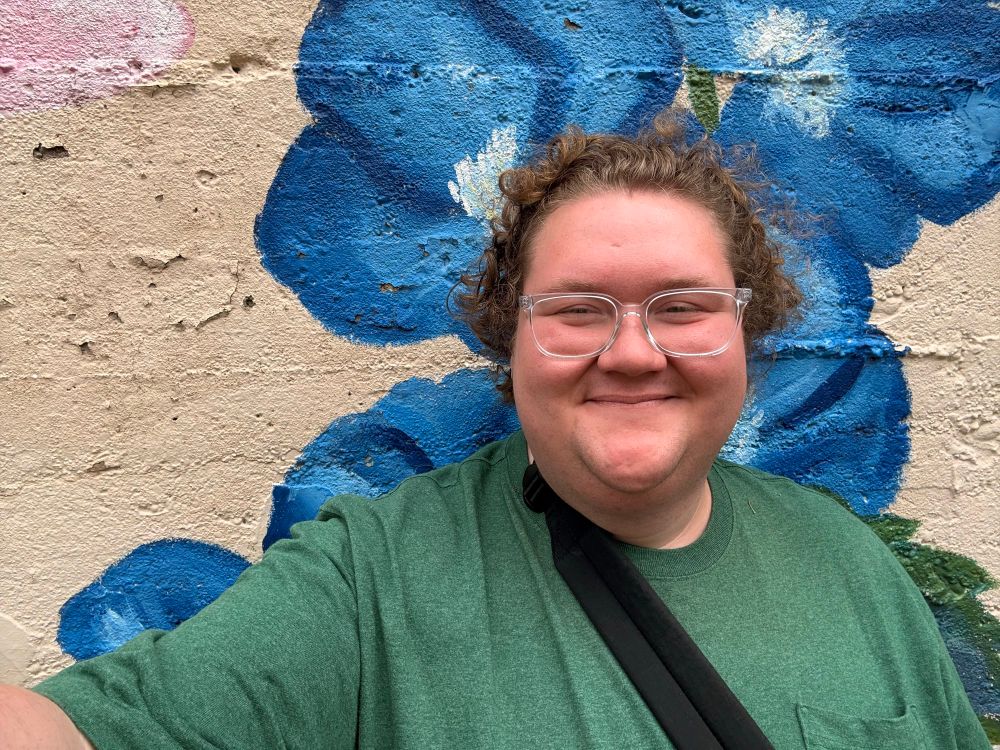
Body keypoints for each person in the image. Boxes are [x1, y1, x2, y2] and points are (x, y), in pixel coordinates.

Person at [0, 113, 989, 749]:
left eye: (683, 307)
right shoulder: (373, 583)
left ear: (746, 330)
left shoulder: (850, 567)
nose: (632, 353)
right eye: (576, 311)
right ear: (509, 341)